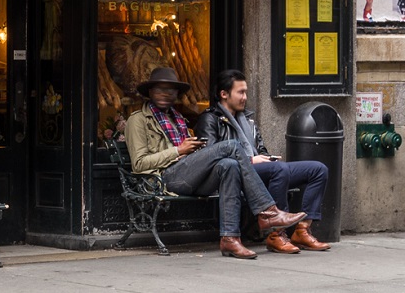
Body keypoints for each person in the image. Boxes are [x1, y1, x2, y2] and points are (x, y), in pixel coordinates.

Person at [125, 67, 306, 260]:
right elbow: (139, 164)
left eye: (170, 90)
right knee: (232, 146)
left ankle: (230, 238)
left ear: (176, 94)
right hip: (164, 178)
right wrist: (178, 150)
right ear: (150, 92)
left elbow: (192, 155)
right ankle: (268, 212)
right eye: (159, 89)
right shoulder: (138, 120)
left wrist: (193, 151)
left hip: (189, 174)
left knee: (230, 165)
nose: (165, 94)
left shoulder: (178, 119)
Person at [195, 69, 330, 254]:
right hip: (233, 173)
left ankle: (302, 230)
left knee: (318, 169)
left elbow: (261, 149)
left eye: (246, 92)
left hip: (260, 170)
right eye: (240, 92)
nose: (245, 97)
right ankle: (276, 235)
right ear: (224, 94)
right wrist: (251, 160)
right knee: (279, 170)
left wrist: (267, 157)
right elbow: (210, 158)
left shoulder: (247, 119)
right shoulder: (210, 119)